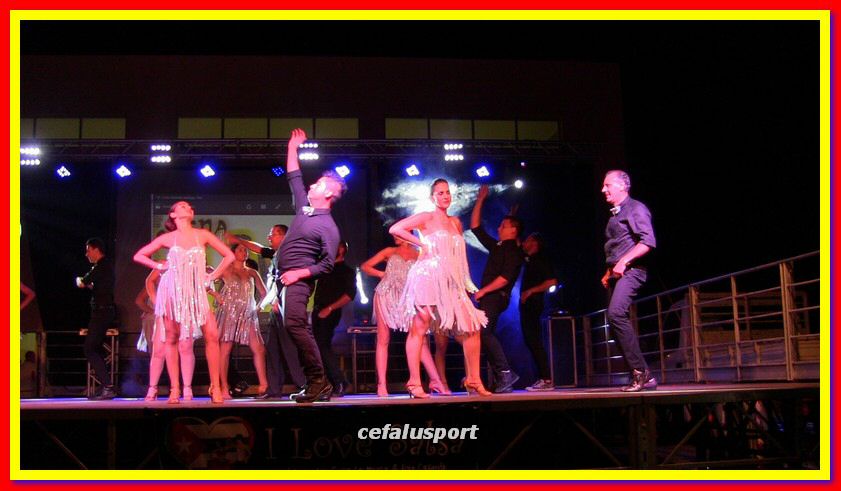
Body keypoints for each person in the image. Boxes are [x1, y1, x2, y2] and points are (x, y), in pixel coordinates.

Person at [390, 178, 490, 398]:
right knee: (420, 325)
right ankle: (414, 382)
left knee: (472, 326)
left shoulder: (455, 222)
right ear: (432, 197)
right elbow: (396, 228)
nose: (445, 196)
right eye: (440, 193)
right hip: (427, 275)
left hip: (450, 281)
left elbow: (460, 255)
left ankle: (474, 379)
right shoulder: (426, 217)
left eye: (447, 192)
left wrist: (465, 281)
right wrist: (421, 244)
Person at [133, 201, 235, 403]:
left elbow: (229, 255)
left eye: (189, 206)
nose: (187, 207)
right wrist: (158, 266)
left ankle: (215, 386)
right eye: (182, 206)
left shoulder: (202, 234)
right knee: (172, 337)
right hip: (173, 291)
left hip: (195, 292)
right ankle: (175, 388)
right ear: (173, 215)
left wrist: (212, 276)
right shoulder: (168, 238)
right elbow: (139, 255)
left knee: (212, 334)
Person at [275, 128, 345, 404]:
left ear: (328, 192)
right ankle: (316, 382)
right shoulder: (305, 208)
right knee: (292, 326)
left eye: (318, 184)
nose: (312, 185)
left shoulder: (328, 226)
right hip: (285, 278)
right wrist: (293, 147)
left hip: (299, 281)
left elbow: (327, 265)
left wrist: (298, 274)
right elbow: (294, 176)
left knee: (296, 324)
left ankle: (319, 381)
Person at [361, 237, 450, 397]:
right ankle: (382, 384)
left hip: (407, 297)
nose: (394, 236)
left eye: (397, 233)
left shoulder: (418, 253)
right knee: (383, 339)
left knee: (419, 338)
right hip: (386, 294)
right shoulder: (390, 251)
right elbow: (365, 266)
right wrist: (381, 274)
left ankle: (435, 380)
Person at [227, 225, 306, 398]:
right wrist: (263, 305)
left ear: (283, 236)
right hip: (275, 310)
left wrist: (275, 301)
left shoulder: (289, 255)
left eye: (273, 234)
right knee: (272, 349)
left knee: (290, 349)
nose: (269, 237)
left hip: (285, 309)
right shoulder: (276, 254)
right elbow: (259, 249)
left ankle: (304, 385)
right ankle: (274, 389)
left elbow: (283, 283)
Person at [600, 170, 658, 392]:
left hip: (633, 271)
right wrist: (609, 272)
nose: (603, 190)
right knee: (613, 322)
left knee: (616, 313)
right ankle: (644, 375)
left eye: (607, 185)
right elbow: (618, 245)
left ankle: (640, 372)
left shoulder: (636, 208)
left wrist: (624, 261)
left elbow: (648, 241)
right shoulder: (615, 214)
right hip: (619, 273)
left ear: (622, 186)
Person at [469, 184, 524, 393]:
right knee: (483, 334)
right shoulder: (498, 246)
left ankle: (505, 373)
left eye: (503, 225)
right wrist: (480, 200)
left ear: (513, 230)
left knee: (484, 333)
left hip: (496, 296)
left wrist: (483, 291)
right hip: (490, 296)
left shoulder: (514, 251)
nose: (499, 228)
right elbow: (476, 228)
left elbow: (504, 279)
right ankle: (502, 376)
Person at [216, 243, 269, 399]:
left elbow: (264, 292)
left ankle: (263, 385)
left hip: (247, 314)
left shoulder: (252, 272)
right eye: (240, 249)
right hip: (229, 313)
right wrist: (216, 295)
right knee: (225, 350)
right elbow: (206, 282)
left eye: (245, 250)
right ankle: (224, 387)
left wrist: (258, 307)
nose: (244, 252)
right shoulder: (226, 269)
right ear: (233, 253)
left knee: (259, 348)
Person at [135, 269, 197, 401]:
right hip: (165, 313)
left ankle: (187, 387)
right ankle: (153, 387)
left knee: (186, 347)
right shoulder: (164, 264)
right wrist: (157, 303)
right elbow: (149, 281)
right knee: (158, 351)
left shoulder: (191, 263)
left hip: (185, 312)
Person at [311, 240, 355, 397]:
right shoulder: (325, 268)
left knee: (323, 345)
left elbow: (349, 295)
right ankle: (329, 383)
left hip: (330, 312)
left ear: (342, 249)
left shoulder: (346, 271)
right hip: (317, 311)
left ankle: (340, 382)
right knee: (317, 347)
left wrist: (330, 308)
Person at [75, 238, 118, 400]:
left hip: (102, 312)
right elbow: (99, 287)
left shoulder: (100, 266)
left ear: (96, 249)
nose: (86, 254)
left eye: (88, 250)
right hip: (104, 311)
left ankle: (108, 387)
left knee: (90, 348)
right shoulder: (106, 267)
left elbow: (82, 283)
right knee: (96, 348)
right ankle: (106, 385)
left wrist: (78, 280)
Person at [519, 233, 558, 391]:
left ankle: (546, 379)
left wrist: (531, 291)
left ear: (535, 243)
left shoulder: (540, 260)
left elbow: (552, 281)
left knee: (534, 340)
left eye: (528, 240)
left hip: (534, 304)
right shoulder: (529, 259)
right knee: (531, 340)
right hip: (528, 305)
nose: (524, 242)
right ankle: (543, 378)